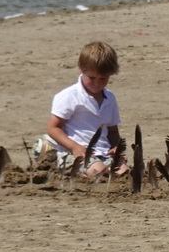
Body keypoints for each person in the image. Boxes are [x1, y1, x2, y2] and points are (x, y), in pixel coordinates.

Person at [42, 41, 127, 178]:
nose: (97, 83)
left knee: (124, 172)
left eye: (103, 78)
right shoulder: (69, 96)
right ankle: (65, 170)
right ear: (81, 69)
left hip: (103, 152)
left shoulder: (109, 98)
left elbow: (112, 129)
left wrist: (116, 147)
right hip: (74, 153)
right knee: (98, 172)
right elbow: (53, 128)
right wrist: (75, 147)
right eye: (92, 78)